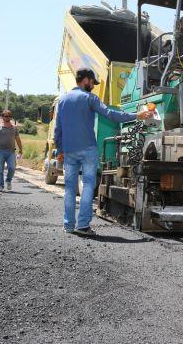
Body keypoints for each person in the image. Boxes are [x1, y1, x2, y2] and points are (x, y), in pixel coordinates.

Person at [54, 68, 153, 237]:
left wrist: (60, 150)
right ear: (85, 80)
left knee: (70, 189)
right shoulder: (90, 98)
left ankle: (68, 225)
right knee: (87, 186)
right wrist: (137, 115)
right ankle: (83, 226)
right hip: (88, 150)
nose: (93, 86)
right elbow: (110, 114)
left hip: (69, 151)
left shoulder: (62, 101)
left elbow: (58, 129)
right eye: (92, 82)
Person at [0, 110, 23, 192]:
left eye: (8, 116)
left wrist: (20, 150)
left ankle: (8, 180)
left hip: (11, 151)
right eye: (5, 116)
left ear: (10, 117)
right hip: (0, 151)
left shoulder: (14, 128)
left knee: (12, 168)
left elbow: (18, 139)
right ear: (2, 117)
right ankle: (0, 186)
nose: (7, 117)